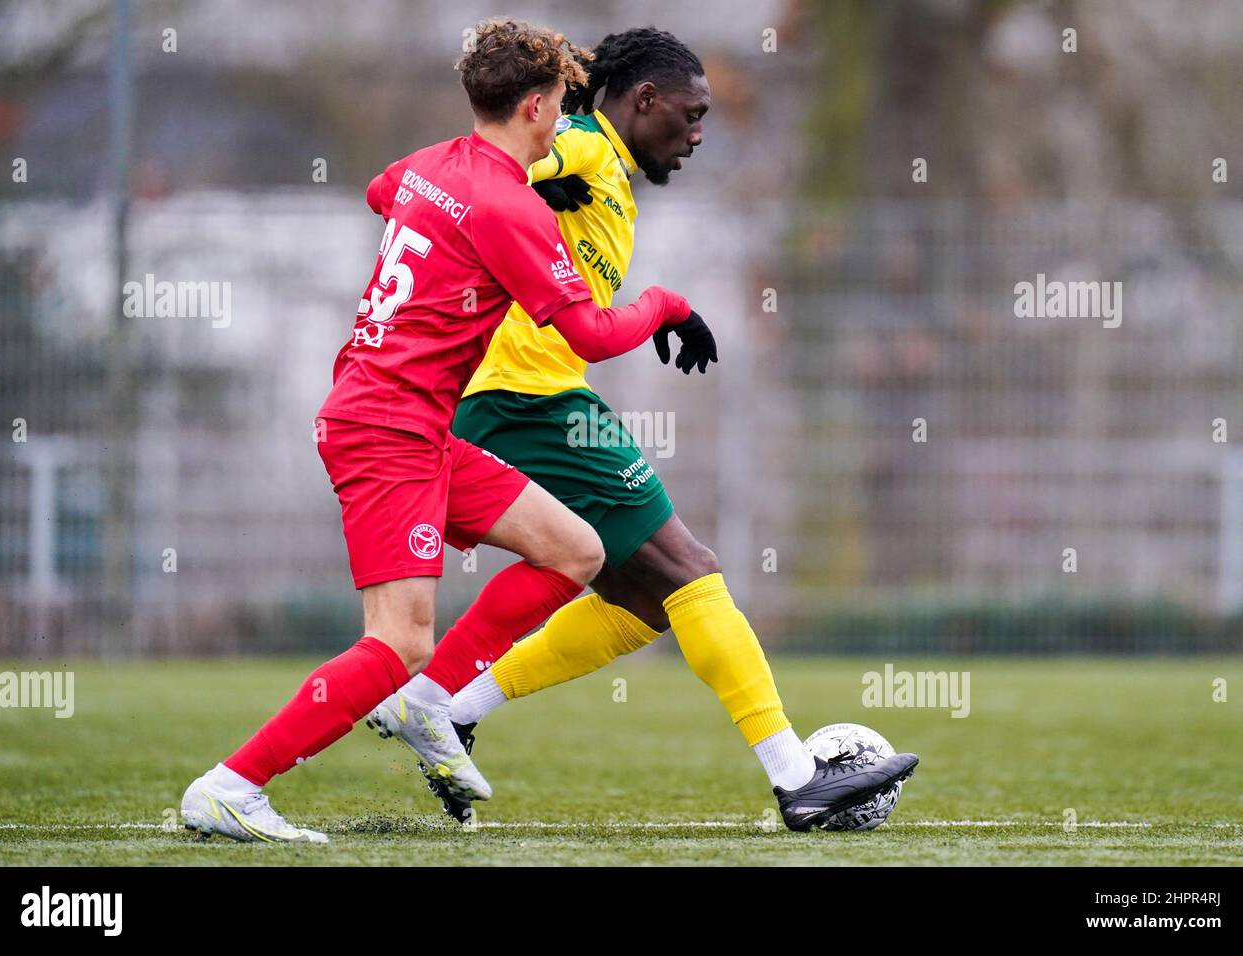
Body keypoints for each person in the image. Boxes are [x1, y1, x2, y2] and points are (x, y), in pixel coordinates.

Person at [179, 18, 717, 844]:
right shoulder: (510, 206)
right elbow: (596, 337)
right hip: (386, 430)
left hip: (410, 422)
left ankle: (430, 708)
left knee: (575, 550)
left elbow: (379, 191)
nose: (566, 122)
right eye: (562, 106)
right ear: (536, 106)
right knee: (400, 641)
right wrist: (669, 304)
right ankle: (232, 785)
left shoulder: (433, 166)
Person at [431, 28, 918, 833]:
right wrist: (524, 184)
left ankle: (454, 707)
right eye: (689, 116)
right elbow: (494, 166)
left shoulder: (602, 170)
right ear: (643, 99)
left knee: (644, 601)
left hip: (521, 399)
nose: (696, 136)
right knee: (691, 569)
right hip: (527, 400)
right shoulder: (583, 145)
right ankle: (798, 777)